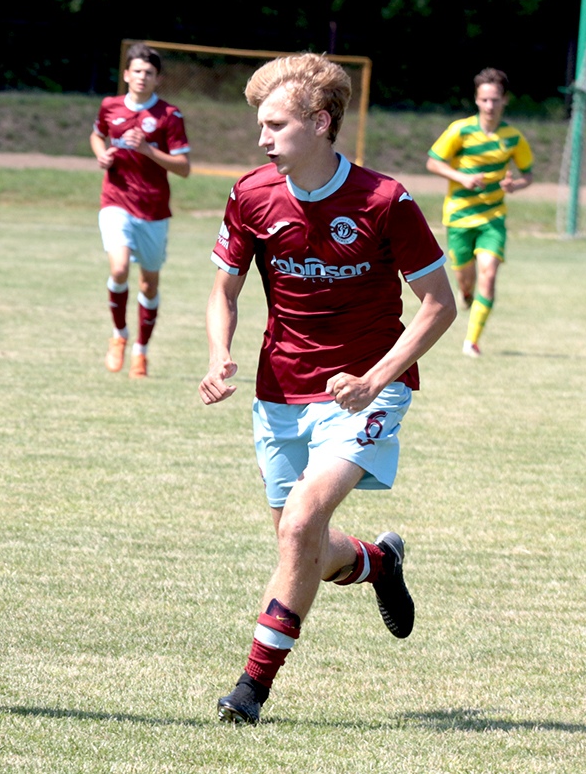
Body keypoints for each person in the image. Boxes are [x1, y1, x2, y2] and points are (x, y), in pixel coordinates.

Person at [199, 53, 457, 724]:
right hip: (279, 390)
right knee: (300, 541)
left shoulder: (385, 201)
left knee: (301, 525)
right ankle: (377, 562)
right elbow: (224, 291)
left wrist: (375, 379)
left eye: (275, 125)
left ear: (319, 123)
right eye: (260, 124)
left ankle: (251, 689)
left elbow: (438, 304)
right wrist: (219, 354)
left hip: (367, 391)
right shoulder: (251, 194)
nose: (262, 138)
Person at [89, 43, 191, 378]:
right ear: (126, 74)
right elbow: (97, 135)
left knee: (149, 285)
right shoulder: (110, 106)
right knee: (119, 269)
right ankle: (119, 334)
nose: (142, 77)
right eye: (137, 71)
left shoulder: (169, 116)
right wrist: (101, 154)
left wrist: (148, 150)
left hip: (153, 209)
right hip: (115, 200)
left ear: (157, 78)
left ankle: (141, 351)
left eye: (149, 72)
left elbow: (184, 168)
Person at [426, 68, 533, 358]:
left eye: (495, 100)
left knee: (489, 275)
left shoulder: (513, 137)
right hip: (459, 216)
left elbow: (528, 175)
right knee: (466, 279)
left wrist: (515, 185)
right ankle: (466, 294)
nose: (489, 106)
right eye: (484, 99)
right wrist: (461, 177)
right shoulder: (460, 131)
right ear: (476, 99)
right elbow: (433, 162)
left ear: (505, 100)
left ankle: (471, 341)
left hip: (493, 218)